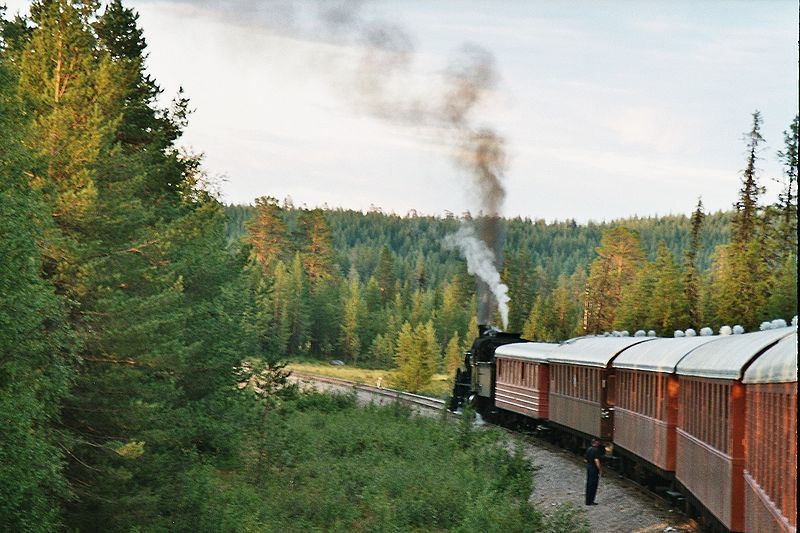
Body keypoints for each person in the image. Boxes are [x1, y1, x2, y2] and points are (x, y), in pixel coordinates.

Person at [584, 437, 603, 505]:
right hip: (593, 468)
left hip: (589, 467)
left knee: (589, 484)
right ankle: (591, 501)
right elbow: (596, 460)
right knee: (593, 485)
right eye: (598, 442)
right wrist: (600, 469)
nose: (598, 443)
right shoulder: (596, 450)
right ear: (595, 442)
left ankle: (587, 501)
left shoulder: (589, 449)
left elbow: (585, 460)